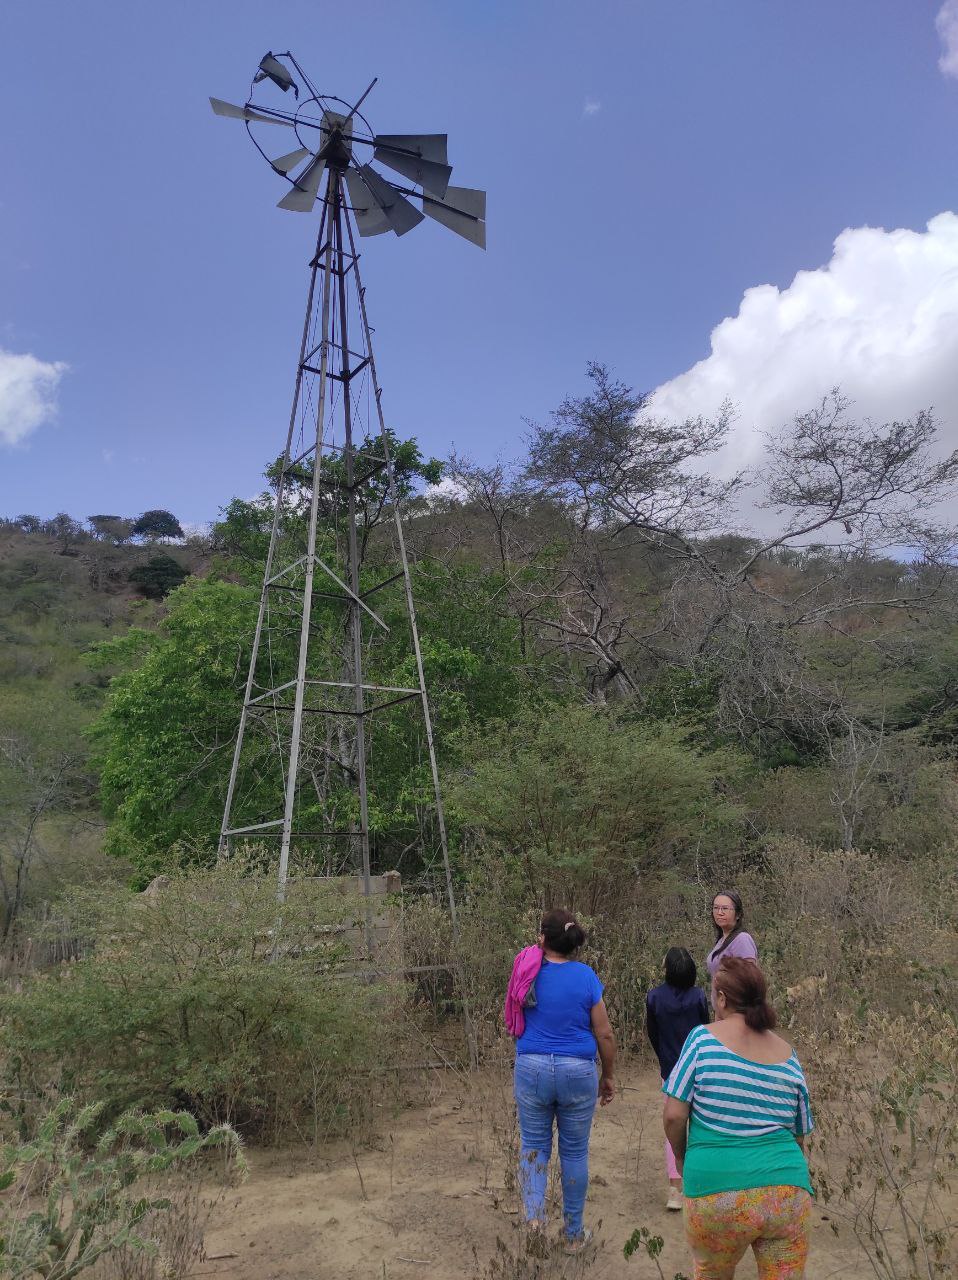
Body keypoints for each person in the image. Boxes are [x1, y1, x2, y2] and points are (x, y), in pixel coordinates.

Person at [662, 957, 814, 1279]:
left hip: (716, 1192)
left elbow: (674, 1115)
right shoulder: (788, 1054)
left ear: (721, 998)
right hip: (787, 1192)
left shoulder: (702, 1040)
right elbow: (799, 1137)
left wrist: (681, 1158)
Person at [512, 908, 616, 1250]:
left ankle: (533, 1223)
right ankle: (573, 1235)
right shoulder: (586, 976)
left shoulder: (526, 971)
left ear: (543, 938)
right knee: (573, 1152)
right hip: (577, 1071)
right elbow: (604, 1034)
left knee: (534, 1147)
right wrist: (608, 1076)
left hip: (532, 1068)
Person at [645, 947, 709, 1211]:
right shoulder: (699, 997)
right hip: (701, 1068)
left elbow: (653, 1034)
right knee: (701, 1124)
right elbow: (706, 1029)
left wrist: (665, 1059)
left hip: (671, 1070)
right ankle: (701, 1187)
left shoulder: (655, 997)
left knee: (673, 1126)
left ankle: (675, 1188)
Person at [706, 890, 758, 985]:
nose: (719, 912)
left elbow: (750, 980)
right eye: (716, 908)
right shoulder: (721, 940)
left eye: (725, 909)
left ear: (737, 914)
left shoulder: (742, 939)